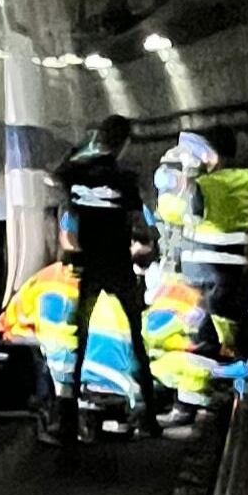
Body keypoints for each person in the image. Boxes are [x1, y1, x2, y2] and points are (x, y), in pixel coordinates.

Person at [52, 115, 162, 441]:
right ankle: (150, 418)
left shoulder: (75, 173)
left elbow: (56, 178)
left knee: (78, 342)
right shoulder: (125, 179)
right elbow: (139, 225)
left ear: (98, 139)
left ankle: (67, 422)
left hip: (88, 265)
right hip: (118, 266)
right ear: (125, 143)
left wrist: (82, 149)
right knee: (137, 341)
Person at [180, 125, 248, 357]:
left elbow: (189, 216)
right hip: (235, 270)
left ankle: (211, 382)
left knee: (202, 337)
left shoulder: (201, 185)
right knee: (236, 332)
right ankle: (239, 386)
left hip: (198, 270)